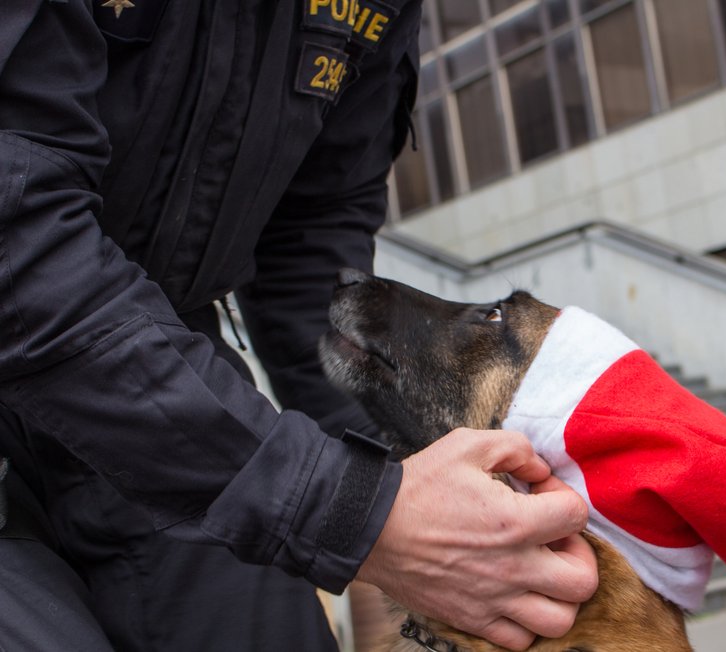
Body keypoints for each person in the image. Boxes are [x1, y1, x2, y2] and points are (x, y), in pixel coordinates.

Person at [0, 1, 598, 651]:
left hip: (168, 373)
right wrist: (355, 511)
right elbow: (19, 245)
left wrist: (411, 480)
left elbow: (311, 244)